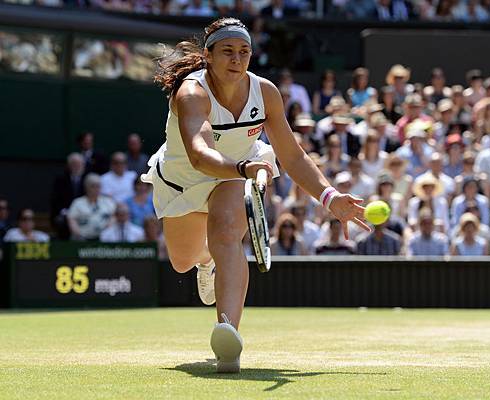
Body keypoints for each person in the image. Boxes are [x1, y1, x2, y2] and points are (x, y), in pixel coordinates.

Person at [147, 18, 368, 373]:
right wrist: (242, 169)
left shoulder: (264, 92)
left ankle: (227, 334)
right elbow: (200, 154)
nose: (237, 59)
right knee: (182, 261)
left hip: (235, 174)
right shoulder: (192, 93)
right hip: (185, 180)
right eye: (228, 52)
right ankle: (207, 263)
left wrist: (329, 198)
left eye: (244, 52)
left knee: (226, 234)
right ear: (208, 56)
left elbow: (292, 155)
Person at [67, 173, 116, 241]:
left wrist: (107, 233)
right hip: (82, 239)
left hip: (104, 239)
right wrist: (79, 235)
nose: (96, 189)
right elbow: (72, 220)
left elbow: (114, 217)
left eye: (98, 186)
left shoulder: (108, 201)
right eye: (93, 186)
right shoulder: (77, 202)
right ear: (86, 187)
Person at [50, 152, 86, 239]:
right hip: (66, 212)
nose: (77, 166)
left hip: (84, 212)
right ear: (69, 165)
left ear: (83, 165)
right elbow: (55, 199)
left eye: (79, 164)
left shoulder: (87, 179)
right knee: (61, 221)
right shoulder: (60, 180)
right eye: (74, 164)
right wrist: (64, 211)